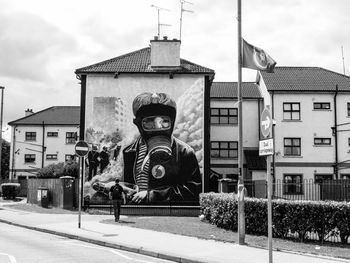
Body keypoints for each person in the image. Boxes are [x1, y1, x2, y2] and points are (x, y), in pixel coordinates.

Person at [122, 92, 202, 204]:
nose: (158, 128)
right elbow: (129, 186)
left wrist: (152, 195)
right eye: (149, 122)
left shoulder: (184, 152)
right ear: (137, 123)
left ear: (172, 122)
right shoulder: (130, 152)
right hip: (134, 212)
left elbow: (192, 191)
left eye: (164, 121)